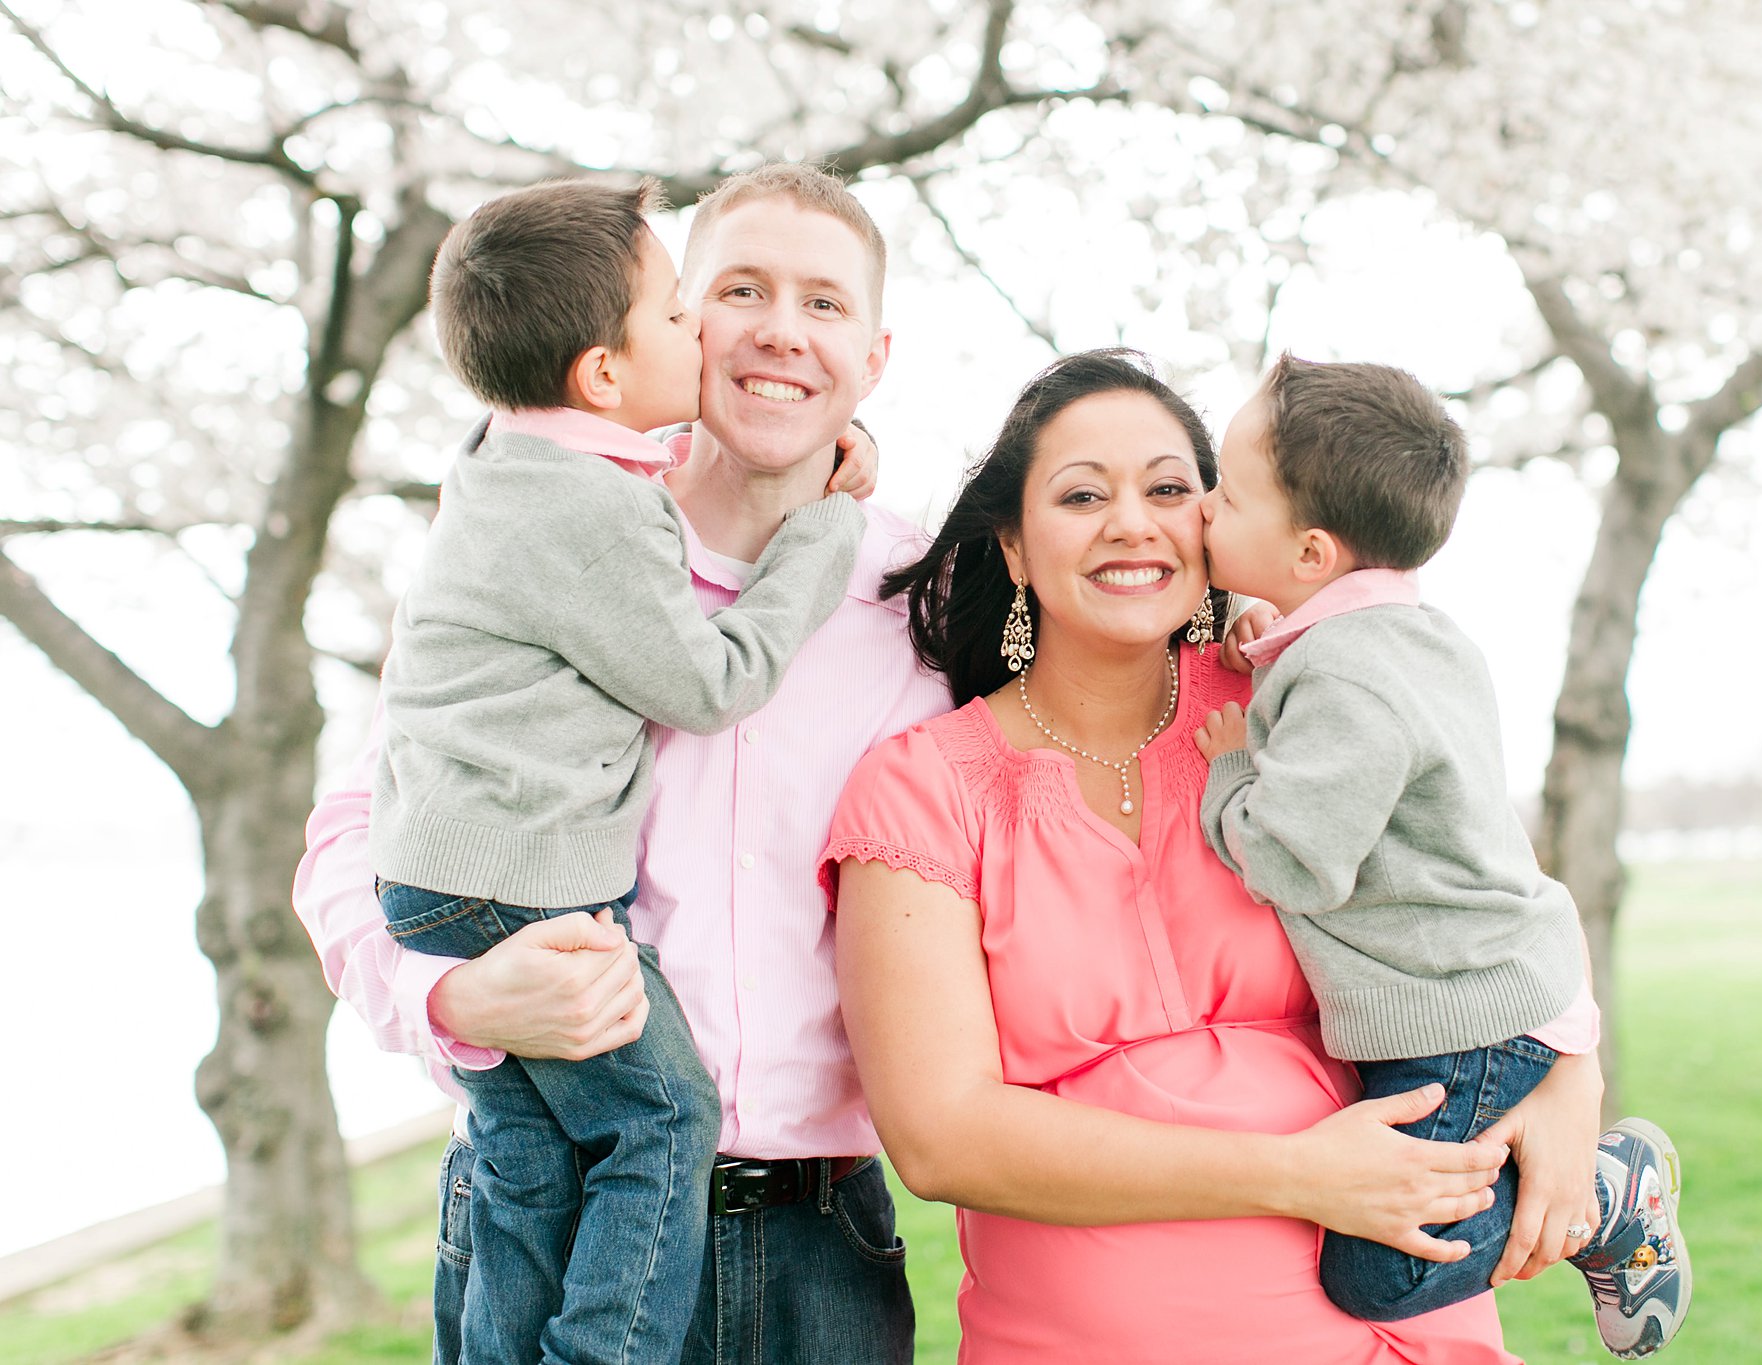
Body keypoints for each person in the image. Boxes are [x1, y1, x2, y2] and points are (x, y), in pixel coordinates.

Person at [825, 349, 1605, 1364]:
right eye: (1079, 495)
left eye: (1167, 488)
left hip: (1394, 1335)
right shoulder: (919, 790)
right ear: (1013, 546)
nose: (1132, 522)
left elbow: (1484, 893)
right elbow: (941, 1136)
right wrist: (1291, 1174)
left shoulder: (1301, 718)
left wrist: (1573, 1079)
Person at [296, 163, 949, 1365]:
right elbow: (351, 830)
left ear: (874, 354)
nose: (776, 331)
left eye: (823, 303)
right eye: (738, 289)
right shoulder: (522, 540)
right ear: (667, 327)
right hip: (548, 1208)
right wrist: (444, 999)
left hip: (819, 1251)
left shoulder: (926, 603)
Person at [1191, 355, 1690, 1358]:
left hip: (1462, 1020)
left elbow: (1296, 863)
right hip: (1487, 985)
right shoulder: (1397, 637)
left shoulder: (1347, 681)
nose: (1201, 509)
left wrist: (1233, 773)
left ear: (1310, 553)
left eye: (1226, 494)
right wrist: (1266, 642)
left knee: (1381, 1269)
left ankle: (1606, 1195)